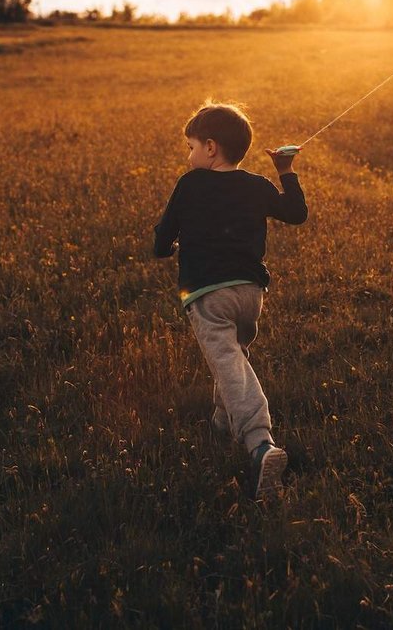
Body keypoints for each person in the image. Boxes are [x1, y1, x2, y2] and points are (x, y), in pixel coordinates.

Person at [153, 102, 309, 500]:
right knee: (234, 357)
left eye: (190, 147)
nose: (188, 156)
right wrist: (286, 171)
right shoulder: (256, 184)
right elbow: (295, 213)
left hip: (208, 294)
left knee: (227, 360)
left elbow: (162, 234)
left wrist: (165, 246)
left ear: (210, 147)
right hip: (250, 294)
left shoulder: (189, 184)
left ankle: (260, 444)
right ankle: (223, 423)